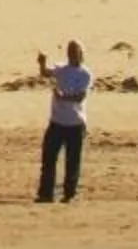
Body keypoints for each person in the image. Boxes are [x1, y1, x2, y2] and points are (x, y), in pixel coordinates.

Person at [34, 41, 94, 204]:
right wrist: (42, 63)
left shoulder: (85, 74)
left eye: (77, 51)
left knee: (72, 161)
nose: (75, 54)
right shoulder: (61, 69)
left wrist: (62, 97)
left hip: (75, 123)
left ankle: (70, 194)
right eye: (72, 52)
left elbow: (80, 97)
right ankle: (46, 193)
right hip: (57, 122)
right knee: (48, 158)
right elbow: (46, 74)